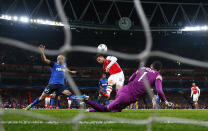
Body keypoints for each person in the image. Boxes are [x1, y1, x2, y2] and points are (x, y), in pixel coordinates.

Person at [78, 61, 173, 112]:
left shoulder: (142, 68)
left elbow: (131, 78)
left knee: (116, 110)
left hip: (124, 90)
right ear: (159, 70)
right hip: (128, 97)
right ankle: (86, 99)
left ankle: (89, 110)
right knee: (107, 109)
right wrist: (165, 102)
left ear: (151, 65)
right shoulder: (158, 75)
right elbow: (159, 91)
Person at [25, 45, 78, 110]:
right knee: (42, 98)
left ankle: (80, 103)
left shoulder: (63, 66)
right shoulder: (54, 64)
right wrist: (42, 51)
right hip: (52, 85)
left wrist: (71, 71)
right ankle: (30, 105)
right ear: (59, 59)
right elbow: (44, 60)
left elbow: (66, 70)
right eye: (63, 59)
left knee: (68, 93)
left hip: (60, 86)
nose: (64, 60)